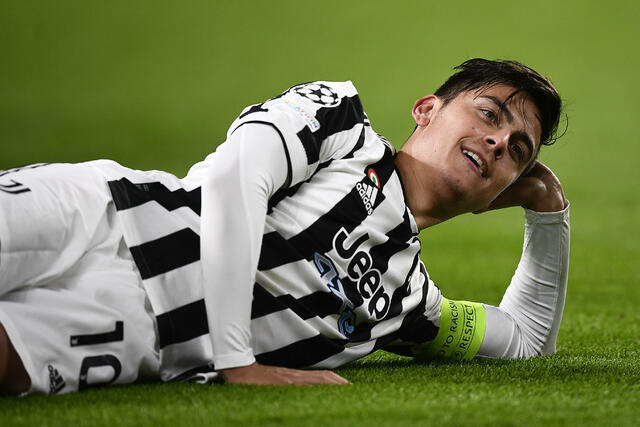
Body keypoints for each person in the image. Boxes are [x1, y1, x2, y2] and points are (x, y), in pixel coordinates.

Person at [0, 58, 569, 395]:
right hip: (101, 216)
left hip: (137, 333)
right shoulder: (340, 122)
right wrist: (237, 361)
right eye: (489, 114)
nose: (498, 141)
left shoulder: (410, 306)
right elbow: (235, 178)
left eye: (517, 150)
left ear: (498, 192)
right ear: (426, 110)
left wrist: (548, 209)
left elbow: (526, 339)